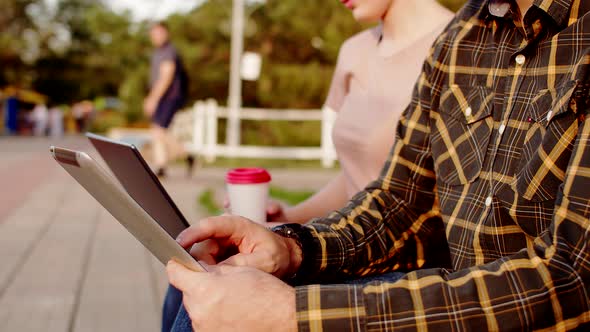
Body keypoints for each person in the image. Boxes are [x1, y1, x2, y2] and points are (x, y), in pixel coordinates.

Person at [167, 0, 590, 331]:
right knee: (208, 288)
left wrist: (293, 314)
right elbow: (402, 200)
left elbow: (573, 278)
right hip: (447, 301)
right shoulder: (466, 33)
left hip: (505, 310)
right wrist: (293, 249)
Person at [262, 0, 454, 223]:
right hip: (356, 251)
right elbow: (357, 174)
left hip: (425, 254)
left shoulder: (466, 50)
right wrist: (287, 218)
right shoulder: (353, 51)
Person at [144, 21, 193, 178]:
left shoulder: (168, 51)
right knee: (156, 131)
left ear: (166, 33)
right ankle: (161, 166)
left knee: (159, 130)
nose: (156, 37)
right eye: (153, 34)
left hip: (169, 97)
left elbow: (166, 77)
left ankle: (187, 155)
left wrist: (152, 98)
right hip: (162, 97)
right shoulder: (158, 52)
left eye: (158, 33)